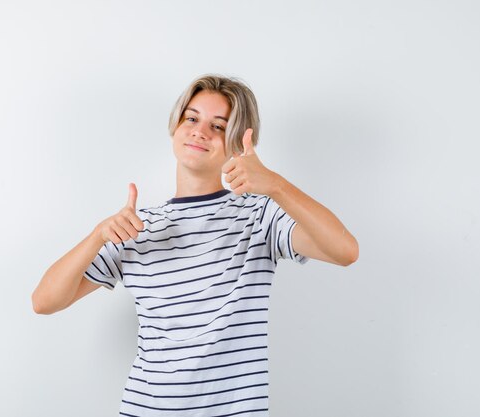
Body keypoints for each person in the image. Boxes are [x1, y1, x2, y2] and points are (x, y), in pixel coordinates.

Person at [32, 74, 359, 416]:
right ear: (175, 127)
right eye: (192, 118)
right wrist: (98, 235)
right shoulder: (136, 227)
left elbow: (345, 251)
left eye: (218, 126)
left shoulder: (259, 216)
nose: (200, 131)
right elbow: (44, 302)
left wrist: (275, 185)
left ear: (237, 143)